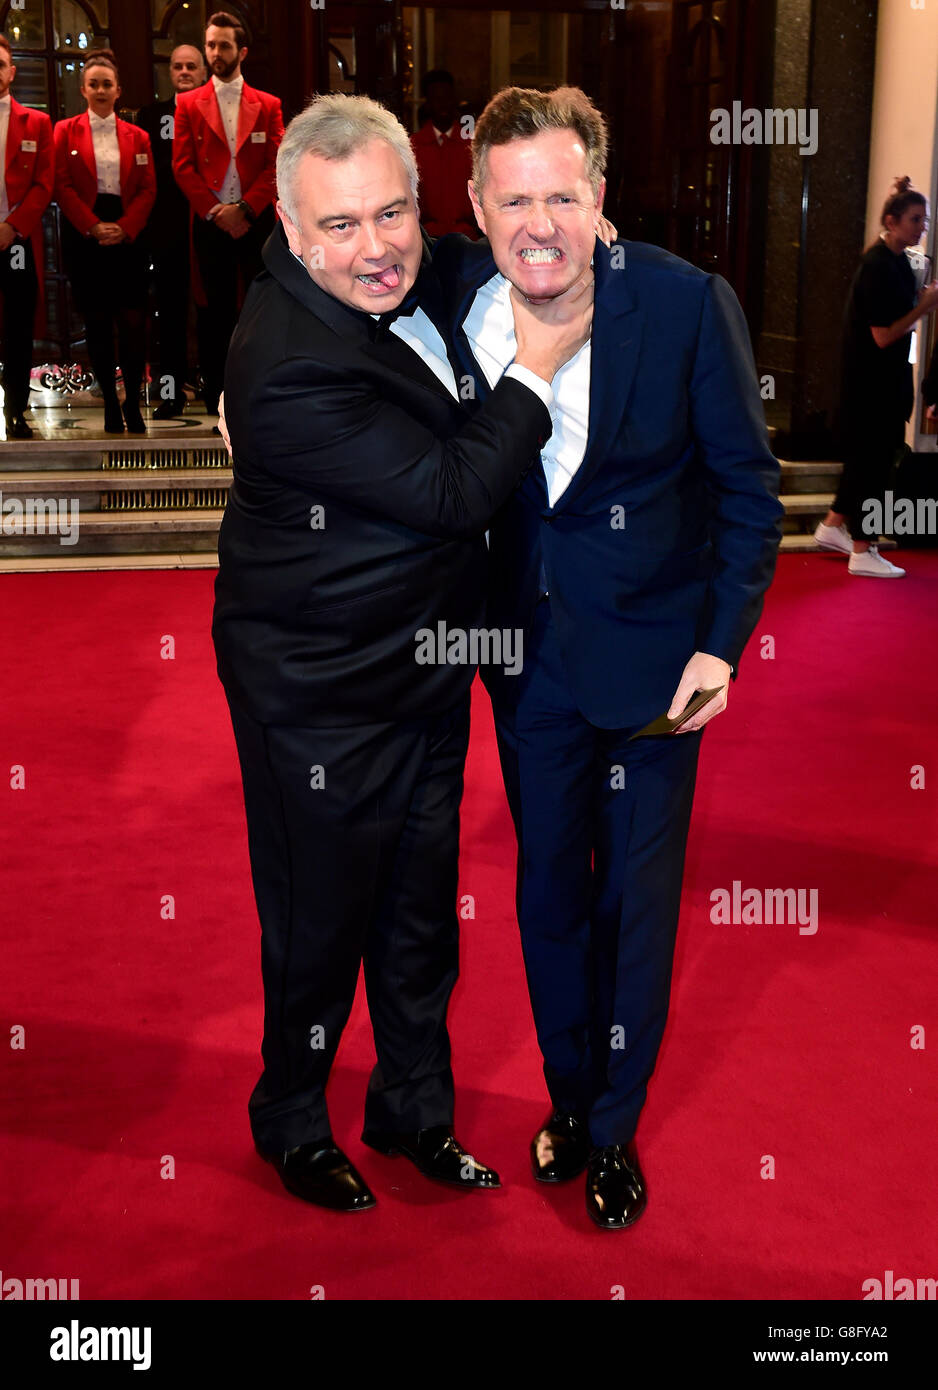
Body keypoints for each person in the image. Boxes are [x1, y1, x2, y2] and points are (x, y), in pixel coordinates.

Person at [212, 94, 592, 1213]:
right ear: (290, 231)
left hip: (423, 671)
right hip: (317, 698)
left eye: (392, 215)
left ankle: (412, 1112)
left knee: (421, 919)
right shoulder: (283, 364)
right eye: (340, 226)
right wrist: (535, 364)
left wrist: (561, 228)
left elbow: (470, 248)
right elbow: (448, 492)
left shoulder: (408, 268)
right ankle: (291, 1120)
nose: (375, 248)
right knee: (320, 928)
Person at [431, 85, 783, 1229]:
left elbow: (746, 492)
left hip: (652, 678)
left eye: (562, 196)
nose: (539, 223)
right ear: (477, 206)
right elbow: (322, 283)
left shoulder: (683, 306)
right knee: (543, 902)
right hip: (524, 668)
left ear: (598, 198)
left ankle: (617, 1130)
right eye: (514, 199)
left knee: (635, 906)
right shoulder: (451, 303)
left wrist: (719, 647)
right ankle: (570, 1096)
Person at [814, 177, 938, 576]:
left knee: (865, 462)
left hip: (884, 385)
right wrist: (925, 307)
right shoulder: (878, 266)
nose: (922, 227)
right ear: (892, 221)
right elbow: (883, 335)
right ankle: (862, 550)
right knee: (873, 467)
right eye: (916, 219)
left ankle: (833, 525)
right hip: (870, 388)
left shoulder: (896, 261)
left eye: (925, 220)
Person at [172, 10, 283, 423]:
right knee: (213, 309)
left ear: (242, 51)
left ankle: (260, 387)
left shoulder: (269, 105)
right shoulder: (187, 103)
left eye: (223, 45)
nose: (215, 52)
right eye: (211, 45)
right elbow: (182, 165)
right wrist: (217, 211)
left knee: (260, 305)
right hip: (212, 221)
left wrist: (248, 208)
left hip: (255, 221)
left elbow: (276, 164)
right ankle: (215, 393)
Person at [53, 49, 156, 434]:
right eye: (93, 84)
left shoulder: (139, 136)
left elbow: (148, 189)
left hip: (128, 240)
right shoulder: (64, 131)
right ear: (83, 89)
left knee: (132, 324)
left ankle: (132, 402)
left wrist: (126, 227)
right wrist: (93, 226)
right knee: (97, 324)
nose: (100, 90)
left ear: (118, 91)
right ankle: (110, 404)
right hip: (86, 238)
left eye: (106, 84)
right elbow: (60, 185)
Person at [135, 44, 205, 419]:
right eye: (177, 66)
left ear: (203, 71)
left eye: (191, 66)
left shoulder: (213, 112)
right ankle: (173, 392)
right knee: (171, 316)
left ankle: (218, 390)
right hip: (165, 230)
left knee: (215, 316)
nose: (183, 72)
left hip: (210, 226)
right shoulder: (152, 115)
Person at [0, 35, 54, 440]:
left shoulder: (36, 122)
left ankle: (16, 409)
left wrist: (12, 226)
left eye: (0, 64)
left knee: (19, 329)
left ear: (11, 72)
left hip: (17, 239)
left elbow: (43, 183)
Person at [411, 69, 477, 240]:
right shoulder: (414, 146)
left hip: (468, 237)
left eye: (447, 98)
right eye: (436, 99)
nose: (442, 105)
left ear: (454, 100)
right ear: (427, 103)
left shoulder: (471, 144)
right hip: (426, 237)